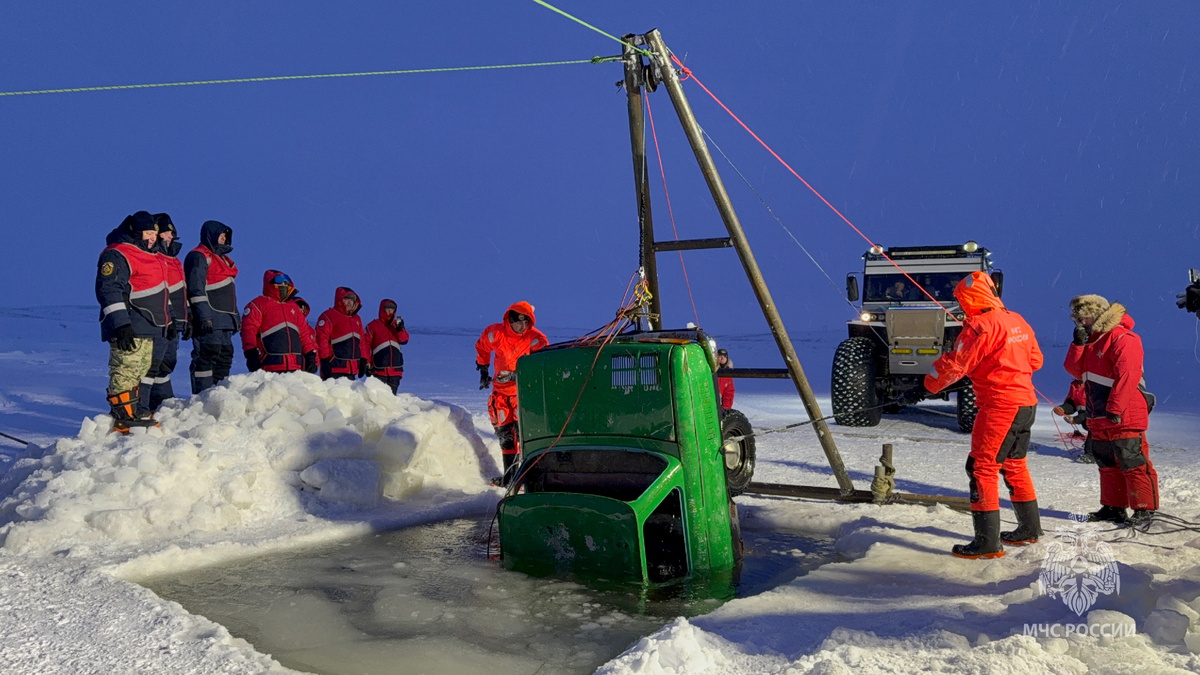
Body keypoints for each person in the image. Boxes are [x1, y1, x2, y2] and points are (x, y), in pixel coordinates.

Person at [904, 271, 1044, 559]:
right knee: (1014, 464)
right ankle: (1029, 529)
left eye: (960, 301)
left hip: (1000, 405)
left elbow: (955, 365)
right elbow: (1035, 361)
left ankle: (987, 543)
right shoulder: (1017, 320)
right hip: (1026, 404)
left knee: (982, 468)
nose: (960, 307)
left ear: (969, 299)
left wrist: (923, 387)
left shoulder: (980, 326)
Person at [1063, 295, 1159, 526]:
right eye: (1077, 318)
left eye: (1083, 316)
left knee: (1133, 462)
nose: (1080, 322)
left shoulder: (1123, 337)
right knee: (1107, 464)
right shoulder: (1091, 341)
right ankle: (1113, 508)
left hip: (1123, 413)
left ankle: (1144, 509)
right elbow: (1074, 370)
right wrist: (1077, 345)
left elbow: (1129, 375)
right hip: (1099, 414)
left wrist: (1115, 408)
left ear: (1097, 314)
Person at [96, 211, 167, 432]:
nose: (153, 237)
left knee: (140, 368)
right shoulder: (117, 254)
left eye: (154, 233)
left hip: (147, 325)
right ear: (135, 232)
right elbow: (109, 290)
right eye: (148, 233)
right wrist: (121, 324)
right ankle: (122, 415)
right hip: (129, 325)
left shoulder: (150, 256)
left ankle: (133, 410)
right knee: (125, 368)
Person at [475, 302, 548, 487]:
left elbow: (543, 364)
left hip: (523, 395)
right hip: (500, 395)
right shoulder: (495, 333)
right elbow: (482, 347)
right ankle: (509, 478)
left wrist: (517, 374)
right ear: (510, 320)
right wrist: (483, 370)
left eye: (527, 322)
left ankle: (529, 478)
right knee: (505, 437)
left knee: (526, 437)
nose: (523, 326)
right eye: (519, 322)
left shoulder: (536, 339)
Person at [137, 213, 189, 414]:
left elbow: (179, 291)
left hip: (174, 320)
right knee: (152, 364)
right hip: (160, 320)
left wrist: (186, 317)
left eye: (171, 232)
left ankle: (163, 404)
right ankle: (144, 406)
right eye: (165, 232)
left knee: (167, 363)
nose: (169, 236)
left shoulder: (173, 259)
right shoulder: (155, 258)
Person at [185, 220, 239, 394]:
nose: (223, 239)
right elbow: (196, 287)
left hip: (225, 321)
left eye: (225, 236)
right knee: (207, 355)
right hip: (209, 318)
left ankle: (218, 395)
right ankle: (202, 396)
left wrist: (235, 319)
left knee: (225, 356)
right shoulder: (199, 256)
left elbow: (229, 295)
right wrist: (203, 316)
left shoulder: (224, 261)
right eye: (220, 235)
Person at [240, 270, 317, 375]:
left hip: (296, 367)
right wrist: (251, 353)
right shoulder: (257, 305)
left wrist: (310, 355)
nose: (284, 283)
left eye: (286, 280)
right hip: (269, 365)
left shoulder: (293, 307)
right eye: (279, 280)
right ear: (269, 283)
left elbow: (304, 334)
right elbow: (249, 331)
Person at [316, 287, 370, 380]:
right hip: (334, 368)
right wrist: (324, 361)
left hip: (352, 370)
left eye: (352, 300)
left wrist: (363, 360)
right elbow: (321, 340)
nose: (349, 302)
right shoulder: (328, 316)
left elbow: (362, 343)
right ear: (339, 300)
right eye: (346, 299)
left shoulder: (357, 319)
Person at [365, 299, 411, 394]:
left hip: (395, 369)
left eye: (392, 309)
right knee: (378, 398)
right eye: (388, 308)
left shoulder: (397, 325)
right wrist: (366, 362)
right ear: (382, 309)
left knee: (391, 399)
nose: (390, 311)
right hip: (379, 369)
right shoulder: (372, 326)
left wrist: (400, 329)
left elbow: (404, 340)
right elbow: (365, 345)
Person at [292, 297, 319, 374]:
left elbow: (314, 347)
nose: (301, 310)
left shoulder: (311, 330)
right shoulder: (288, 327)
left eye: (303, 308)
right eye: (298, 307)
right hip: (292, 366)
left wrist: (315, 363)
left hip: (306, 368)